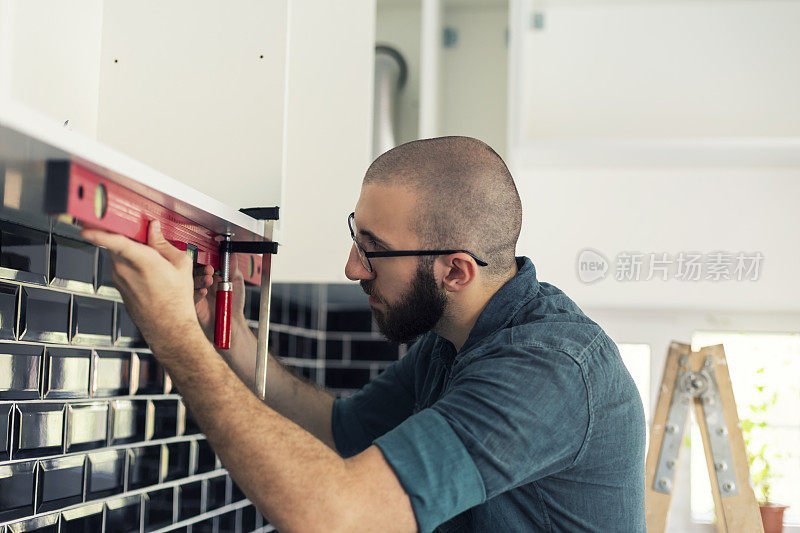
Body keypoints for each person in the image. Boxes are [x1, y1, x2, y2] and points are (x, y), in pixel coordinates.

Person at [82, 136, 646, 532]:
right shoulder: (450, 342)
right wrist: (221, 335)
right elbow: (339, 430)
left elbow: (335, 520)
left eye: (374, 250)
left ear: (455, 271)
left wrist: (176, 337)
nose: (353, 268)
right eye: (357, 237)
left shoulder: (549, 372)